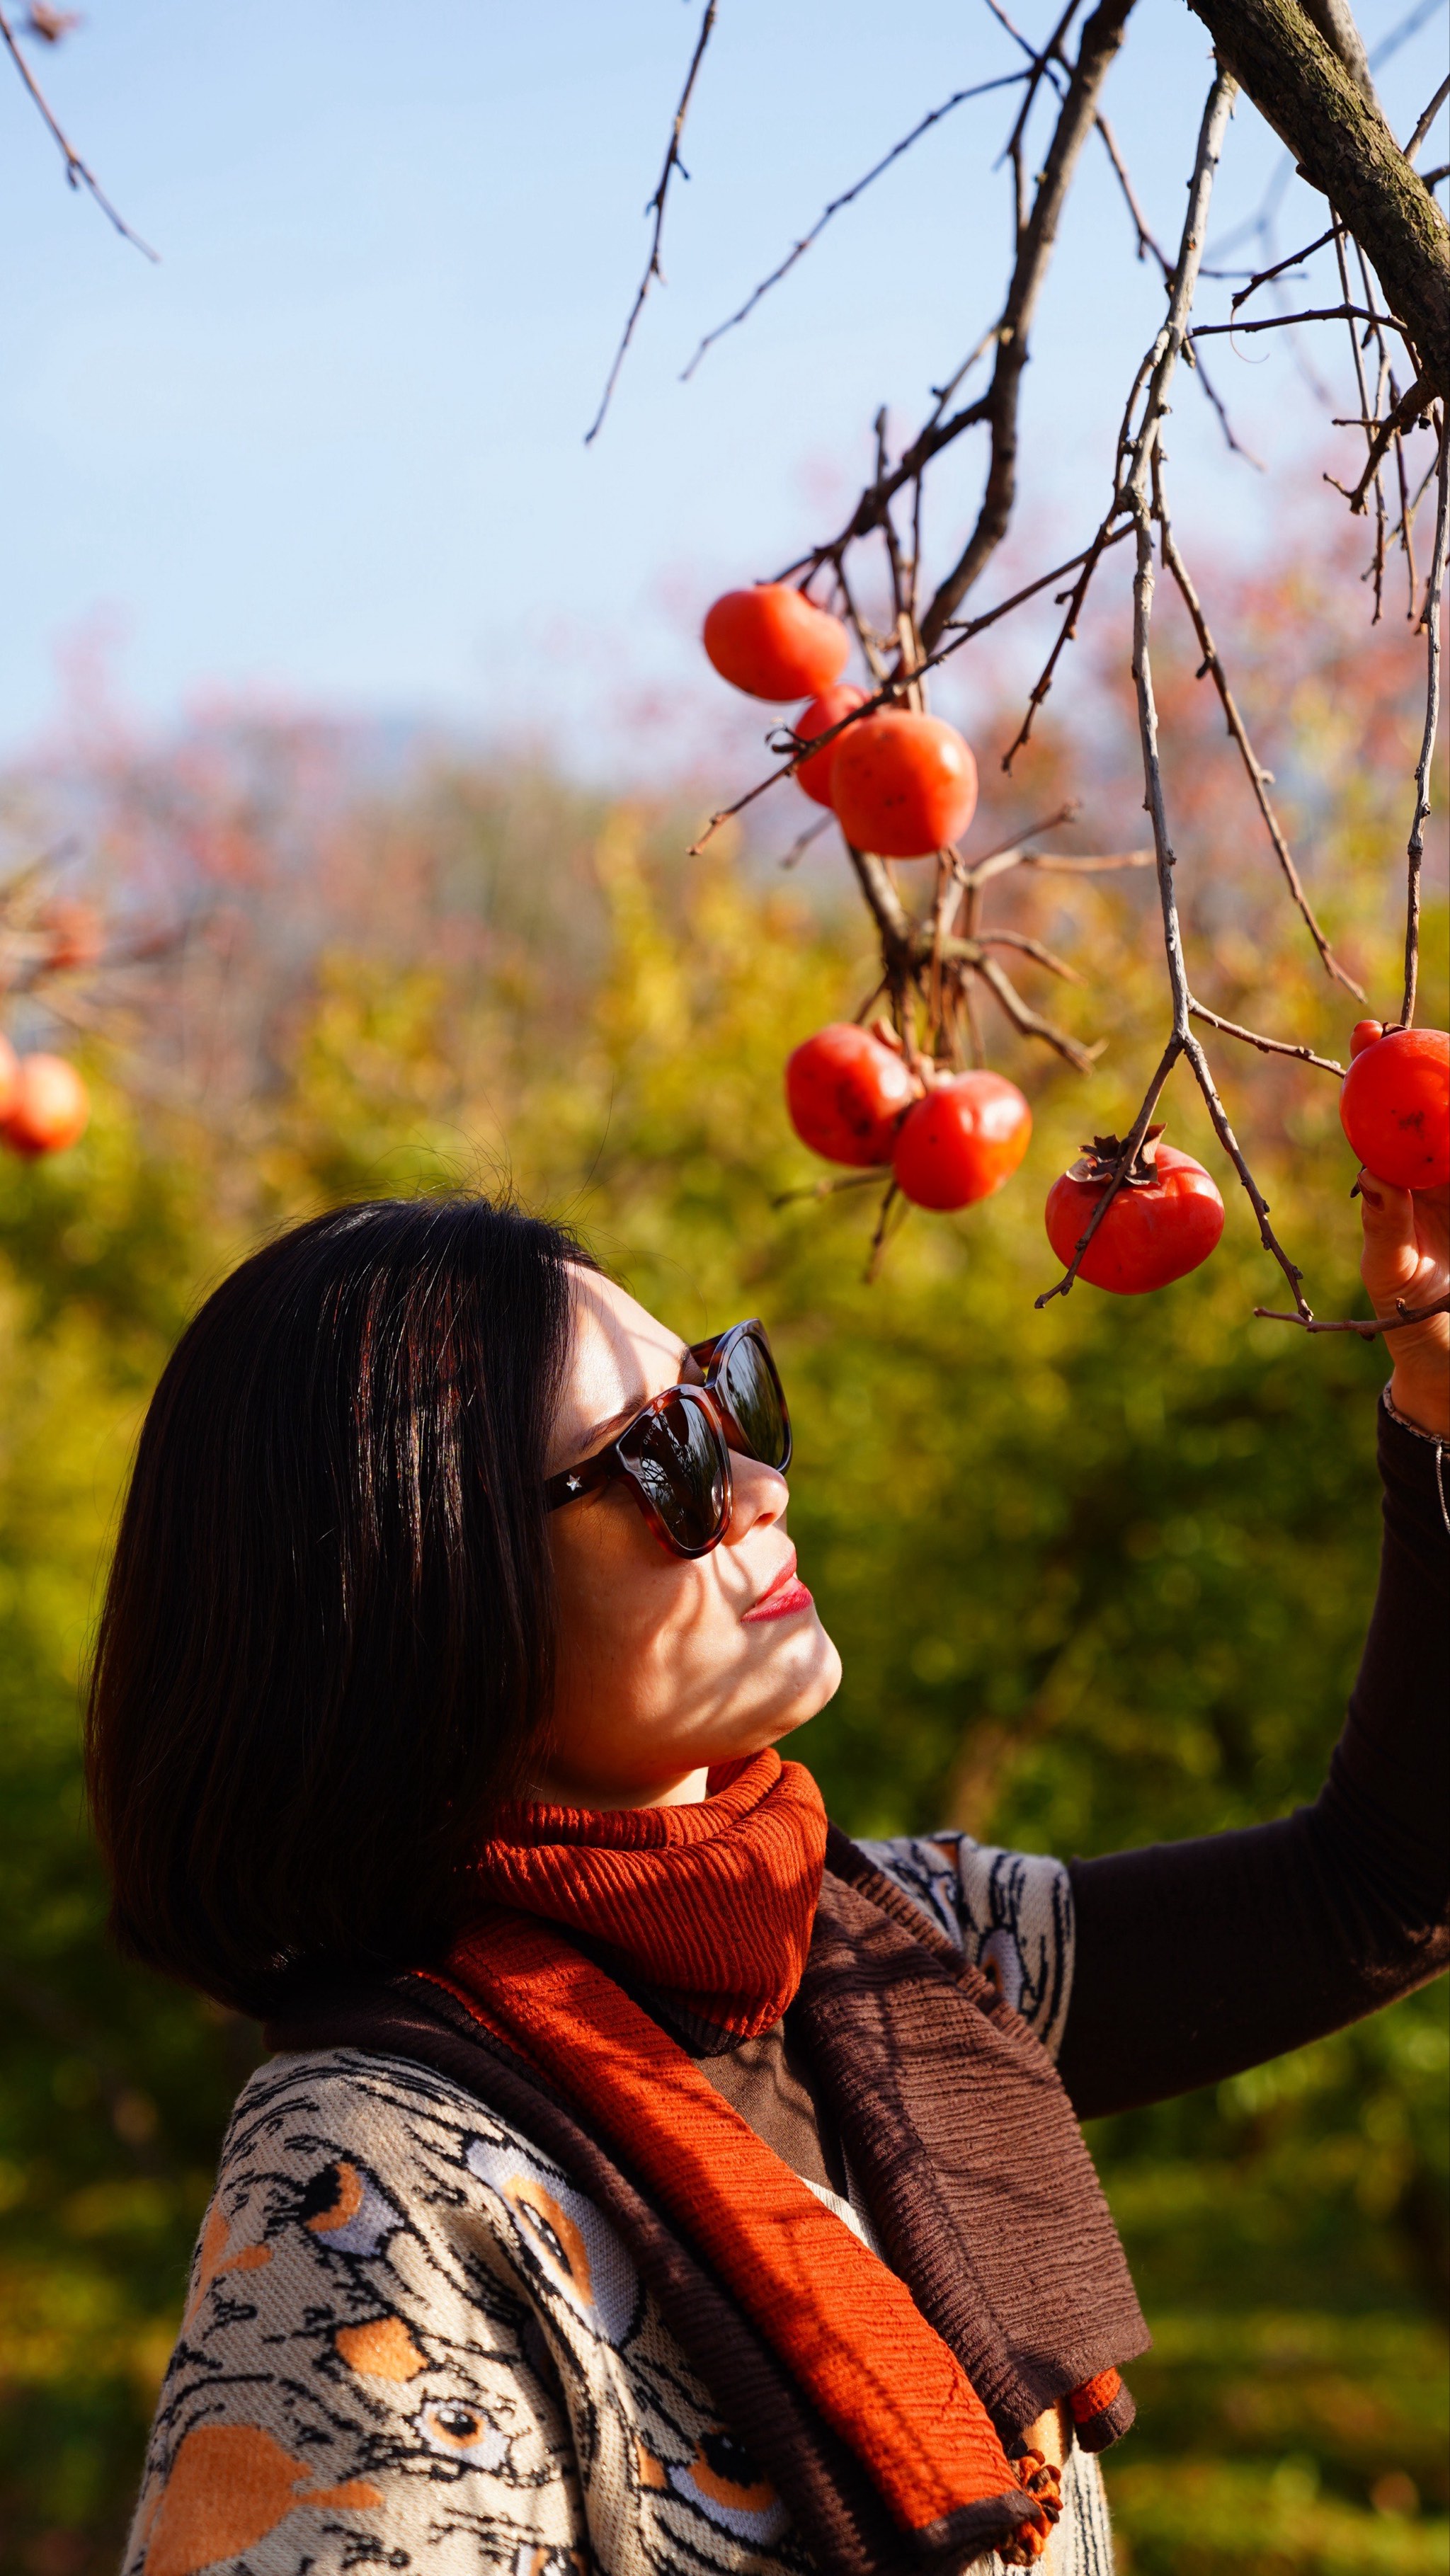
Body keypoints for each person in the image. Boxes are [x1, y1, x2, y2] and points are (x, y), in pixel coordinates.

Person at [89, 1177, 1447, 2576]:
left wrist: (1440, 1407)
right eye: (655, 1458)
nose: (757, 1485)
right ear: (424, 1580)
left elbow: (1385, 1882)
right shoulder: (378, 2180)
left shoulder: (878, 1956)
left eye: (730, 1395)